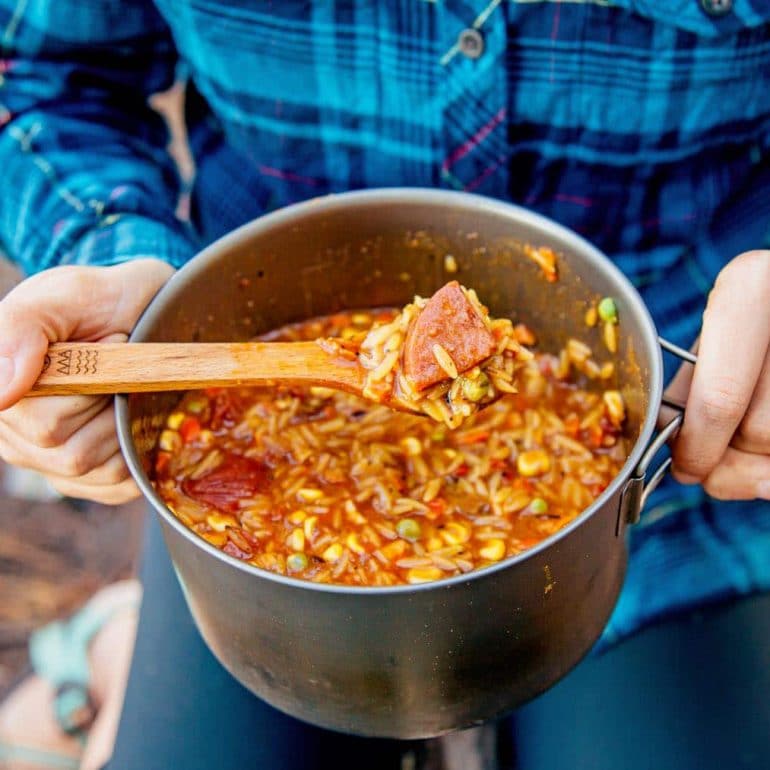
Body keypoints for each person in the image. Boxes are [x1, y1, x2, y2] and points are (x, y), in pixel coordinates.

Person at [0, 0, 768, 767]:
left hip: (675, 446)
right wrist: (109, 253)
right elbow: (37, 74)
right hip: (238, 543)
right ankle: (111, 647)